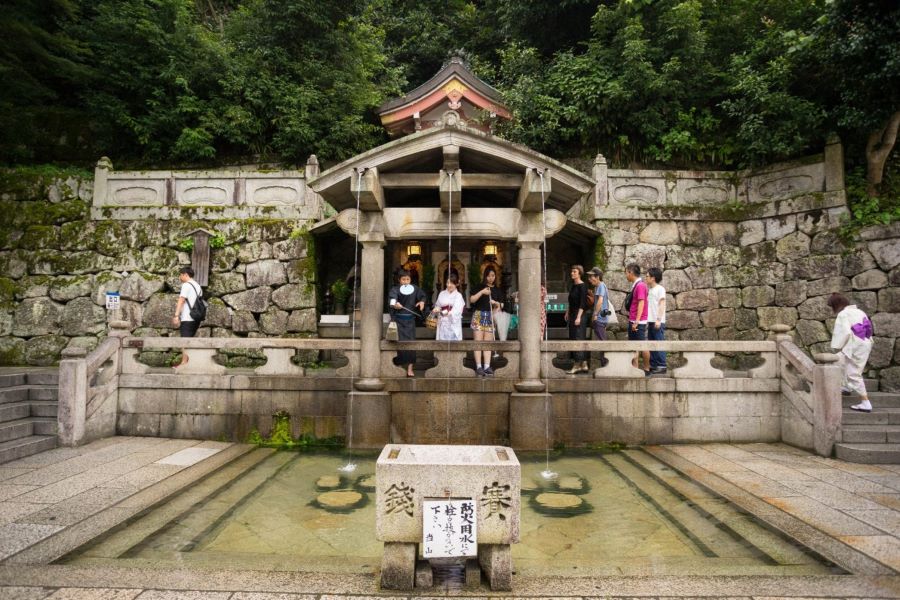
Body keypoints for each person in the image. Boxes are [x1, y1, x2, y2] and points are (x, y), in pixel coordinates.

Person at [828, 293, 874, 412]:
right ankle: (846, 387)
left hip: (854, 344)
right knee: (839, 361)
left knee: (853, 373)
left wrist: (837, 345)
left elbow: (845, 332)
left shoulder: (843, 314)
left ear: (835, 304)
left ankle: (865, 402)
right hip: (864, 341)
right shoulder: (860, 312)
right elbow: (868, 327)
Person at [388, 269, 426, 377]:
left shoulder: (415, 289)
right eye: (403, 279)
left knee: (411, 344)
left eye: (408, 279)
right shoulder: (395, 289)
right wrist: (395, 305)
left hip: (410, 322)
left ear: (410, 280)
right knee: (398, 344)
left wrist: (422, 302)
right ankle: (399, 366)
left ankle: (410, 368)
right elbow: (392, 300)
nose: (405, 282)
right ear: (399, 280)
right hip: (399, 321)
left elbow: (423, 296)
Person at [469, 266, 503, 376]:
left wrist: (495, 303)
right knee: (478, 342)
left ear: (495, 276)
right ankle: (479, 366)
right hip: (479, 315)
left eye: (493, 276)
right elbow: (472, 300)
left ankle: (487, 366)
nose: (490, 278)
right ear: (485, 276)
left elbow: (501, 305)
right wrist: (482, 292)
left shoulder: (497, 290)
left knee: (488, 342)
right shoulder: (479, 287)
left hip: (490, 316)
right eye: (488, 276)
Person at [171, 266, 202, 368]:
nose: (180, 277)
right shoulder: (197, 286)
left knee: (185, 342)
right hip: (196, 318)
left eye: (180, 275)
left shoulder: (186, 285)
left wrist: (176, 316)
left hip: (188, 317)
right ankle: (188, 363)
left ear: (185, 275)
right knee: (189, 341)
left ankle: (184, 364)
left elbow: (181, 300)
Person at [625, 263, 651, 376]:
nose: (626, 275)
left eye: (626, 272)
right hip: (634, 320)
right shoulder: (637, 285)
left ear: (630, 272)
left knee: (642, 345)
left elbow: (641, 303)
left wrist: (636, 321)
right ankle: (635, 369)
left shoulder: (640, 286)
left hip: (638, 322)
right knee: (633, 346)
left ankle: (647, 369)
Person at [564, 265, 590, 374]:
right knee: (574, 337)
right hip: (573, 314)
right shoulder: (573, 286)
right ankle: (584, 364)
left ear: (579, 273)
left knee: (578, 338)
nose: (572, 273)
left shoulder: (583, 286)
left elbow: (583, 303)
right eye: (572, 271)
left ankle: (577, 365)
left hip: (580, 315)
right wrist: (568, 312)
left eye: (574, 272)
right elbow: (571, 301)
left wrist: (578, 317)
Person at [587, 267, 609, 368]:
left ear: (598, 277)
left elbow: (600, 301)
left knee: (602, 344)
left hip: (599, 318)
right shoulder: (600, 286)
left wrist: (595, 314)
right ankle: (605, 365)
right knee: (602, 342)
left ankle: (606, 366)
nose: (589, 279)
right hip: (601, 318)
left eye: (591, 277)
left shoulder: (600, 286)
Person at [646, 267, 667, 374]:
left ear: (653, 278)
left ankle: (662, 365)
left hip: (658, 321)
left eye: (647, 276)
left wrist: (658, 320)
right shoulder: (650, 290)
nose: (645, 278)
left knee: (659, 343)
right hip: (650, 321)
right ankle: (653, 365)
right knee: (652, 343)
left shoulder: (660, 289)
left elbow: (662, 304)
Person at [434, 273, 465, 341]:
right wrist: (436, 309)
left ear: (457, 284)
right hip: (442, 323)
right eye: (447, 283)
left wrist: (445, 313)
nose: (449, 285)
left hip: (453, 323)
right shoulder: (442, 294)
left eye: (452, 283)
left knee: (454, 343)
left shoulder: (458, 295)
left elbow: (456, 310)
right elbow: (437, 306)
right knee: (441, 342)